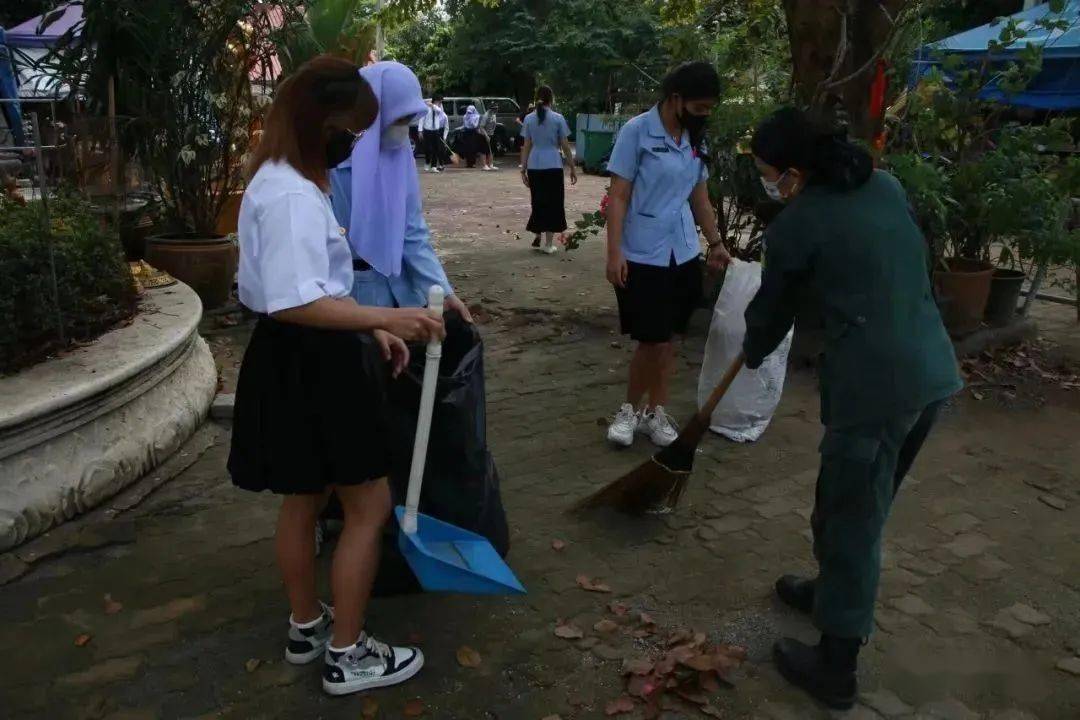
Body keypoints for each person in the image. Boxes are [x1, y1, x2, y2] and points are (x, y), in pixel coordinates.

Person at [228, 55, 442, 698]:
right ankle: (348, 654)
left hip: (295, 353)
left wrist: (367, 327)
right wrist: (391, 317)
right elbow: (297, 301)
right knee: (368, 506)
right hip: (314, 360)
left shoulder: (276, 177)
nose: (355, 141)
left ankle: (307, 626)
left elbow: (308, 288)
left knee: (304, 494)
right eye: (351, 128)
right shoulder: (294, 194)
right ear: (321, 120)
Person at [744, 107, 962, 710]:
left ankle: (836, 663)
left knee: (854, 518)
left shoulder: (798, 223)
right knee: (853, 498)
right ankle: (830, 592)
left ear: (793, 172)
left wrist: (752, 350)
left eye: (768, 173)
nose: (768, 183)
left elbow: (771, 311)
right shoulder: (884, 186)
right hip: (931, 371)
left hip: (876, 387)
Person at [603, 61, 727, 448]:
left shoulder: (695, 138)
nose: (704, 116)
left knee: (669, 339)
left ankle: (655, 413)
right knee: (650, 340)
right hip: (641, 253)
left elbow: (700, 196)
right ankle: (628, 411)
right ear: (676, 99)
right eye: (699, 107)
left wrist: (716, 242)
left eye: (709, 109)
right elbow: (618, 196)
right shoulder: (637, 131)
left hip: (683, 252)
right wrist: (614, 253)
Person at [328, 61, 473, 320]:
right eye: (399, 119)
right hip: (353, 299)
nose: (403, 130)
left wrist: (442, 291)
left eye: (408, 121)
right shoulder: (333, 162)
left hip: (403, 294)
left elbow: (412, 230)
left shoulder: (399, 155)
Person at [519, 85, 577, 254]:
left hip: (535, 164)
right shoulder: (558, 118)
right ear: (551, 99)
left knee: (538, 201)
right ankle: (549, 244)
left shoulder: (529, 119)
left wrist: (523, 169)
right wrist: (572, 167)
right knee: (553, 202)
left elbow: (527, 145)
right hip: (553, 163)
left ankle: (538, 231)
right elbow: (566, 146)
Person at [419, 94, 448, 173]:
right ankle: (427, 162)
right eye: (439, 101)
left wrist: (432, 105)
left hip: (436, 130)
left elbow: (439, 111)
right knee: (428, 148)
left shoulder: (438, 107)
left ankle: (434, 166)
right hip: (427, 130)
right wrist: (420, 131)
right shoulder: (426, 108)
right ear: (436, 100)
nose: (440, 103)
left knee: (436, 148)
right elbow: (421, 119)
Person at [477, 102, 499, 172]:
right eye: (495, 108)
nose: (497, 110)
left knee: (491, 150)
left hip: (491, 134)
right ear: (491, 109)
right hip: (484, 134)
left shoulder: (494, 115)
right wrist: (486, 136)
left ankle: (491, 164)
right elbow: (481, 127)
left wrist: (492, 134)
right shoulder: (486, 115)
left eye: (497, 108)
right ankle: (484, 165)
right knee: (484, 150)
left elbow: (494, 125)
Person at [461, 104, 482, 168]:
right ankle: (468, 163)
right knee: (467, 148)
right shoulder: (465, 116)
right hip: (467, 133)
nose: (469, 113)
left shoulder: (477, 116)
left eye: (470, 112)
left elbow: (475, 125)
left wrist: (471, 120)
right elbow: (464, 125)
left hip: (473, 132)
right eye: (468, 112)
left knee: (473, 148)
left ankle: (473, 163)